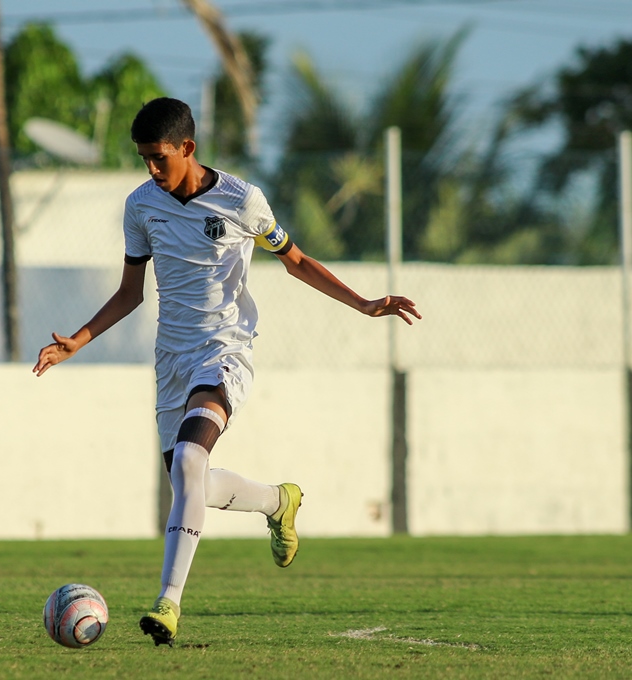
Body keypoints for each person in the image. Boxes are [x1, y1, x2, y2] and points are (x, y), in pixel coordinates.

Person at [33, 97, 420, 647]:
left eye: (159, 158)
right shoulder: (141, 206)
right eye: (143, 158)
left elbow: (297, 261)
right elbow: (129, 293)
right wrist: (77, 340)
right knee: (191, 480)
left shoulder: (244, 200)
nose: (151, 169)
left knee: (190, 458)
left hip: (225, 350)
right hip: (171, 361)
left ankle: (168, 602)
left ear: (187, 148)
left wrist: (362, 304)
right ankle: (277, 501)